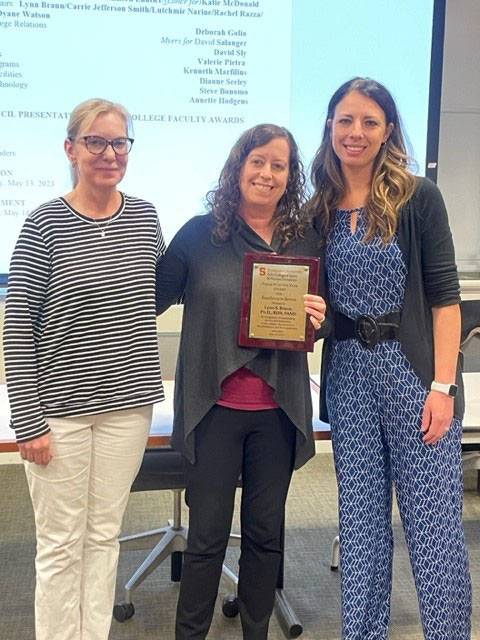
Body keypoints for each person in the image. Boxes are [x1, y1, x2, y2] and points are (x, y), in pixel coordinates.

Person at [309, 77, 472, 639]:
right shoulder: (319, 207)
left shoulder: (417, 197)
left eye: (369, 122)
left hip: (416, 379)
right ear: (330, 126)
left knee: (434, 529)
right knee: (360, 528)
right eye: (346, 120)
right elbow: (322, 304)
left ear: (387, 131)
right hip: (350, 379)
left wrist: (444, 388)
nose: (356, 133)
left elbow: (446, 299)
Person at [155, 123, 328, 639]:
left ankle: (257, 632)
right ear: (238, 167)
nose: (267, 173)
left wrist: (320, 316)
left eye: (279, 165)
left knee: (263, 536)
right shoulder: (199, 235)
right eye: (258, 161)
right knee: (206, 538)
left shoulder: (306, 240)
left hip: (277, 412)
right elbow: (147, 301)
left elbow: (330, 318)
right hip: (214, 411)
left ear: (290, 176)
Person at [3, 98, 166, 640]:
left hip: (127, 411)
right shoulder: (43, 224)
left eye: (119, 142)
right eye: (95, 142)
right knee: (59, 544)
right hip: (60, 416)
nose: (109, 153)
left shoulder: (145, 217)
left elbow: (165, 293)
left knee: (103, 537)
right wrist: (27, 421)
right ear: (71, 149)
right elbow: (18, 326)